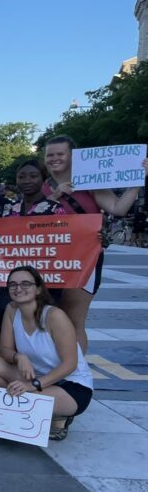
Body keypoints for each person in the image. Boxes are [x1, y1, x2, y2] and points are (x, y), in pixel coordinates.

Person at [42, 135, 148, 350]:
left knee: (73, 319)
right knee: (47, 318)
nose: (54, 159)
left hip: (84, 258)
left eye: (60, 154)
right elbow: (28, 217)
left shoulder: (90, 182)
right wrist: (55, 195)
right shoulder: (41, 185)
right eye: (49, 155)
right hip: (49, 257)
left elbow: (118, 208)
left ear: (73, 156)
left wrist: (137, 183)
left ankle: (77, 368)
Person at [0, 265, 94, 441]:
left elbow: (70, 364)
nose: (18, 289)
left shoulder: (54, 316)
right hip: (35, 375)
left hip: (70, 384)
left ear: (38, 289)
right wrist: (19, 357)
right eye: (13, 285)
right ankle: (21, 411)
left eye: (26, 284)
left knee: (26, 396)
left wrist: (33, 385)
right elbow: (5, 350)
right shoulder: (11, 310)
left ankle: (57, 416)